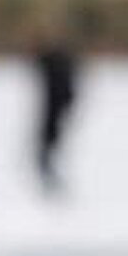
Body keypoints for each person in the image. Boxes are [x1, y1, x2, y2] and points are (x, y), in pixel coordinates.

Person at [31, 38, 79, 195]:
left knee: (48, 141)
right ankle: (48, 174)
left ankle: (49, 175)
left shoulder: (57, 64)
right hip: (53, 109)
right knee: (47, 142)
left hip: (54, 109)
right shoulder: (59, 64)